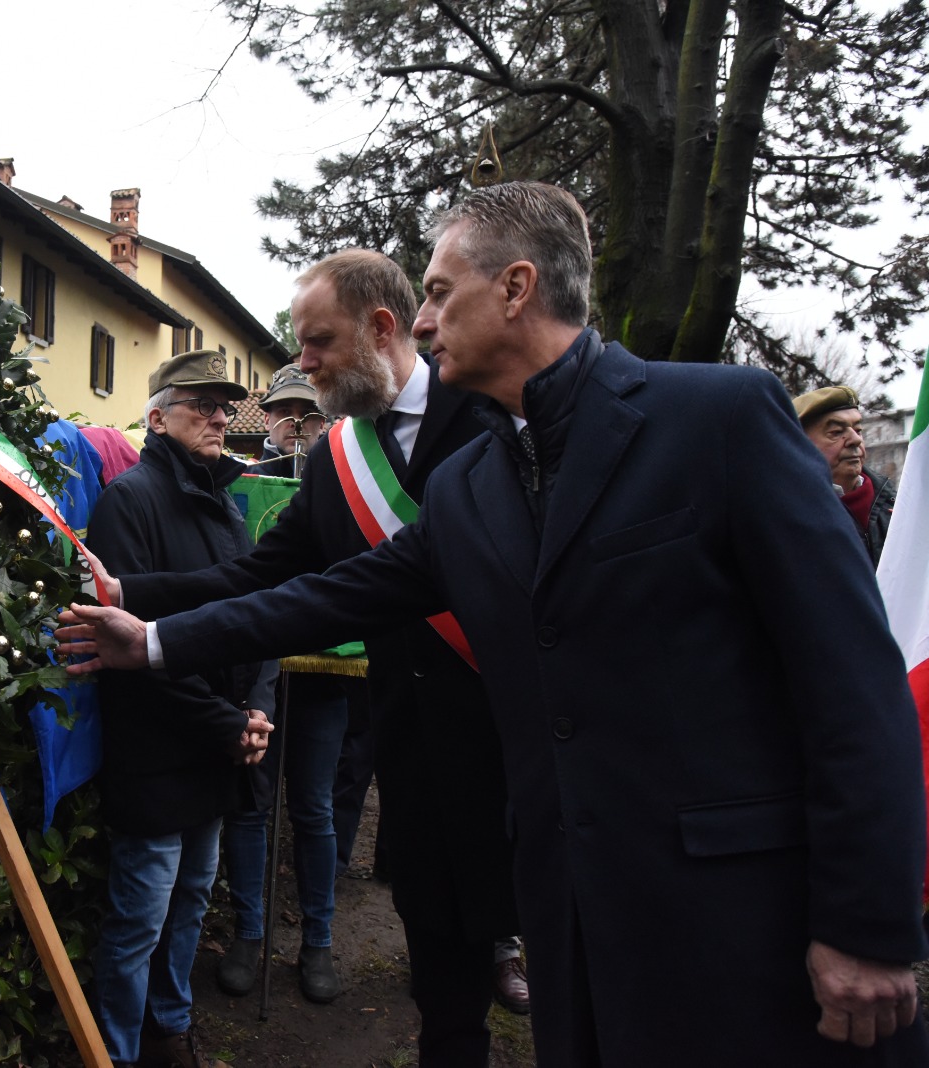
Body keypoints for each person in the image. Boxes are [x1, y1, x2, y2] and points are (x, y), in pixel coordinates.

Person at [59, 182, 929, 1067]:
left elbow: (853, 685)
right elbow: (325, 596)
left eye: (439, 291)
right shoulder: (472, 482)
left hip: (741, 919)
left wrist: (869, 921)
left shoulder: (719, 418)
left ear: (516, 288)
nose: (422, 318)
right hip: (570, 914)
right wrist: (153, 637)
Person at [94, 249, 524, 1061]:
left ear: (381, 328)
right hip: (413, 749)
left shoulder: (492, 411)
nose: (303, 362)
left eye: (318, 341)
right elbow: (258, 577)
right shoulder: (337, 459)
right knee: (443, 998)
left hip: (514, 739)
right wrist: (135, 594)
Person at [88, 350, 275, 1068]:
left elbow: (257, 618)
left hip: (218, 748)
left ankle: (169, 1026)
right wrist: (229, 724)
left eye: (225, 406)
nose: (221, 418)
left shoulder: (227, 506)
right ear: (158, 417)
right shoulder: (128, 501)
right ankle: (118, 1051)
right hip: (159, 751)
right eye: (202, 404)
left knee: (194, 898)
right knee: (140, 917)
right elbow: (129, 649)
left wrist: (256, 711)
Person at [218, 361, 355, 1004]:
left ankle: (318, 940)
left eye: (310, 413)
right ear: (267, 417)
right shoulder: (244, 484)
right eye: (286, 412)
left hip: (326, 671)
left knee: (314, 807)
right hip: (260, 666)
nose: (297, 424)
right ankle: (249, 932)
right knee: (251, 803)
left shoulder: (349, 482)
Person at [793, 385, 896, 565]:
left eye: (858, 430)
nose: (856, 440)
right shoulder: (786, 518)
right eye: (836, 432)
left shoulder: (896, 508)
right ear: (799, 445)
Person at [248, 363, 326, 476]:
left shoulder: (336, 483)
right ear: (267, 420)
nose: (297, 422)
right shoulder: (244, 481)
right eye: (285, 412)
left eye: (307, 413)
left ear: (321, 424)